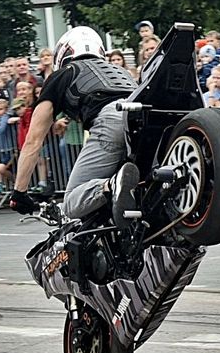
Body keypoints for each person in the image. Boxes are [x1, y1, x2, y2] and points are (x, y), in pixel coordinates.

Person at [12, 27, 139, 225]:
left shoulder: (61, 75)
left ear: (64, 53)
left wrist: (19, 193)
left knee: (72, 203)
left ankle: (112, 184)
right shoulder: (123, 72)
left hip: (111, 122)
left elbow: (33, 140)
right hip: (144, 120)